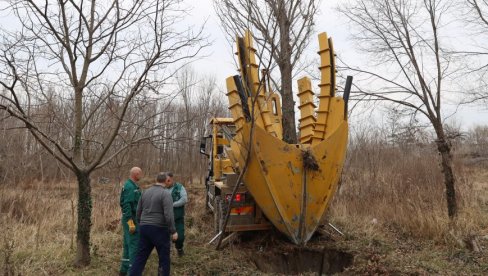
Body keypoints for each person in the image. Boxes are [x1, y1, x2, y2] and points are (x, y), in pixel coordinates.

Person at [130, 173, 178, 276]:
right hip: (159, 229)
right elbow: (168, 215)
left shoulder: (145, 192)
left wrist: (141, 223)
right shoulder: (165, 194)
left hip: (144, 228)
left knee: (141, 257)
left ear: (156, 180)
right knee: (164, 257)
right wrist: (173, 231)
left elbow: (138, 211)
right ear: (166, 181)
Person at [119, 167, 143, 276]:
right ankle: (133, 272)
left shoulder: (132, 185)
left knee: (127, 244)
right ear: (136, 174)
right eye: (140, 174)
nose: (141, 176)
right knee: (134, 245)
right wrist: (131, 223)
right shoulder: (129, 186)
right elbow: (126, 205)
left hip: (130, 219)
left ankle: (123, 270)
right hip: (131, 219)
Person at [164, 172, 188, 257]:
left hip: (178, 218)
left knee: (180, 237)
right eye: (165, 181)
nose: (167, 182)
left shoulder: (179, 187)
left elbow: (184, 199)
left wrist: (173, 204)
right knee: (165, 238)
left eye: (168, 180)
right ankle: (166, 255)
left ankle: (179, 248)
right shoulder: (162, 188)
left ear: (172, 179)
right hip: (165, 219)